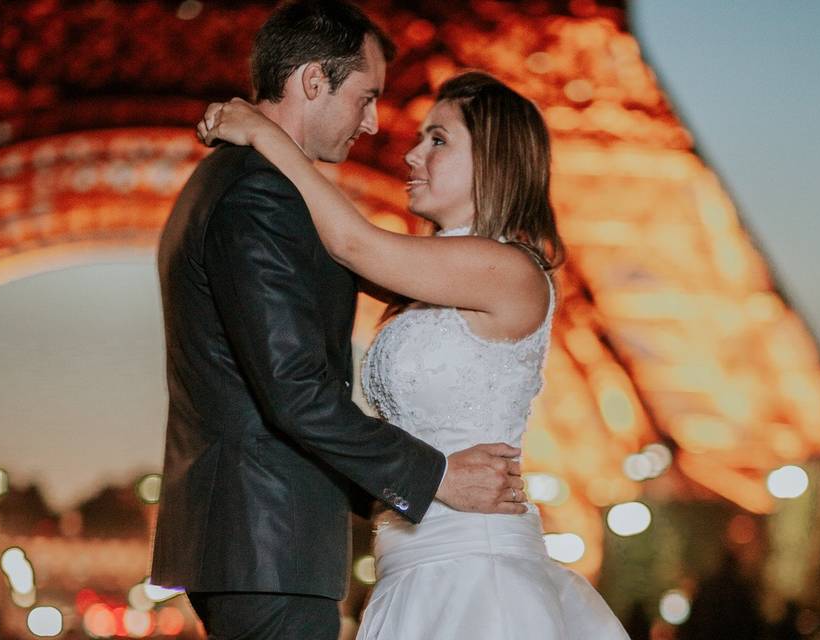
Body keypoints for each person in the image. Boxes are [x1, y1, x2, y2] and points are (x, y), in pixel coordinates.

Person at [199, 68, 631, 638]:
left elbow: (352, 243)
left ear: (495, 160)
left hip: (477, 576)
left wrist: (265, 133)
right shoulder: (426, 282)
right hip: (408, 572)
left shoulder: (511, 270)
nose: (409, 154)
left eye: (438, 140)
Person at [149, 2, 525, 639]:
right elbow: (294, 389)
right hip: (269, 542)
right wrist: (437, 476)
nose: (378, 125)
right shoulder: (260, 192)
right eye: (367, 96)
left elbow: (367, 255)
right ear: (313, 81)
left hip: (261, 539)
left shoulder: (241, 181)